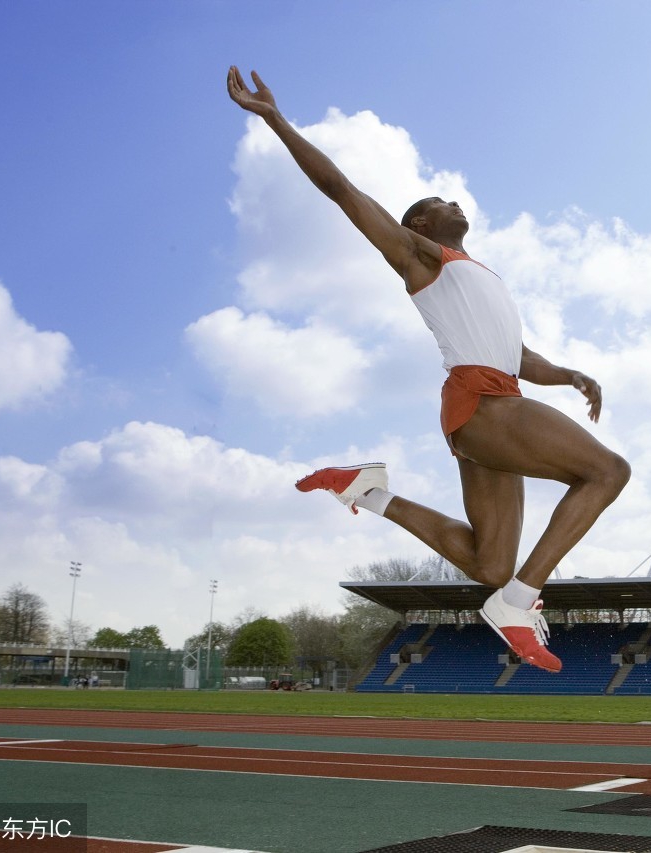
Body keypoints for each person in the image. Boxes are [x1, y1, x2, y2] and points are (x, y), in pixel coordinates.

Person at [227, 68, 630, 673]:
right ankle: (518, 604)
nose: (456, 202)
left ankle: (368, 491)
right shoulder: (420, 257)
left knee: (490, 565)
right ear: (419, 225)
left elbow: (522, 358)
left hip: (496, 405)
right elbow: (340, 189)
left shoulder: (481, 276)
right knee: (607, 472)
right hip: (485, 405)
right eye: (442, 201)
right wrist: (277, 120)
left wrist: (571, 374)